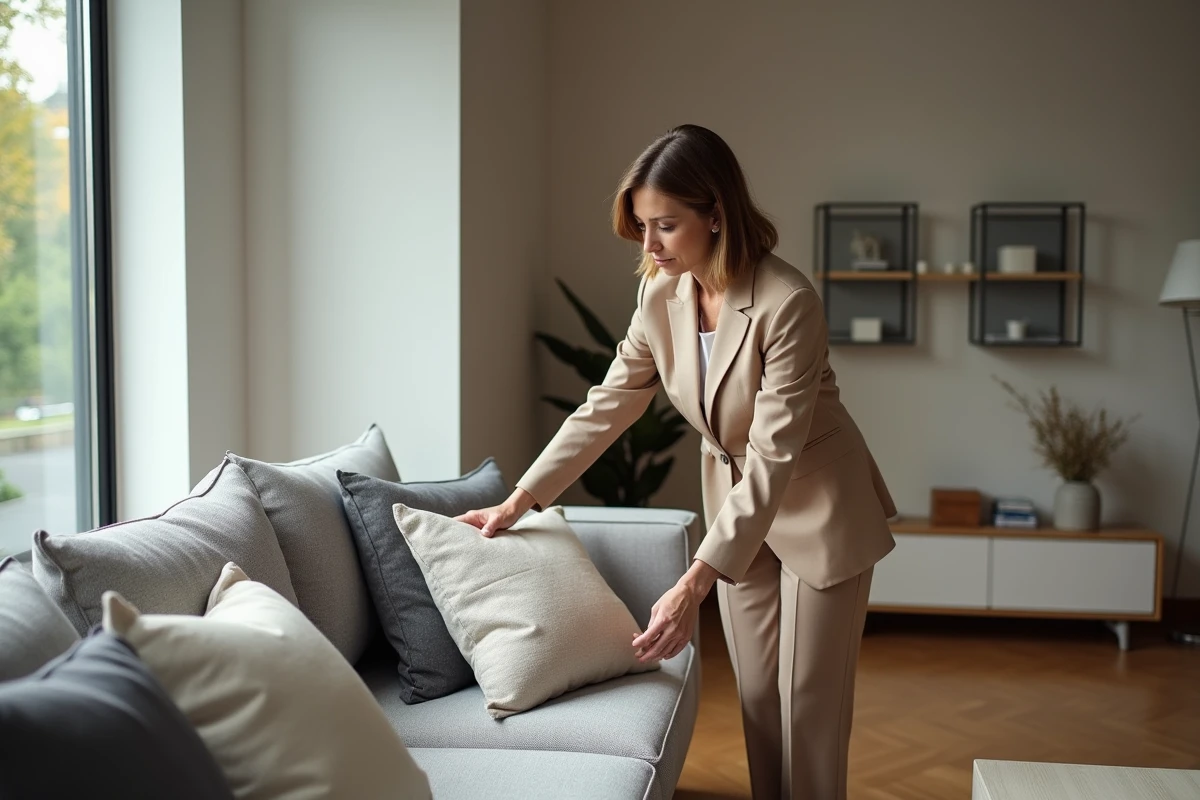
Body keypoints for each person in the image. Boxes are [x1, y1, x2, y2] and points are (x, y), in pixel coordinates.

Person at [455, 124, 897, 800]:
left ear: (716, 214)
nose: (649, 245)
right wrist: (523, 499)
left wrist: (692, 583)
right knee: (757, 701)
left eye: (665, 225)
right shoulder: (660, 296)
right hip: (735, 510)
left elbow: (775, 453)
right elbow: (611, 403)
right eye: (640, 226)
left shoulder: (788, 304)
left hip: (816, 504)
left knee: (808, 703)